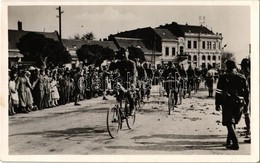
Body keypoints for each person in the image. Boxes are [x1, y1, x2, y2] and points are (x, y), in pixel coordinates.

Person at [215, 60, 249, 150]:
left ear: (227, 67)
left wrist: (217, 104)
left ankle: (235, 142)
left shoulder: (223, 77)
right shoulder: (241, 77)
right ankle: (229, 141)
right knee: (233, 122)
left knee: (229, 122)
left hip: (227, 102)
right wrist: (246, 103)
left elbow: (218, 92)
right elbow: (247, 92)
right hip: (240, 103)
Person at [240, 58, 251, 143]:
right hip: (247, 96)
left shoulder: (250, 76)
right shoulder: (245, 75)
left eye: (244, 67)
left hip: (250, 96)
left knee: (247, 113)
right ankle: (248, 129)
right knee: (246, 113)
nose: (243, 69)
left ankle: (249, 130)